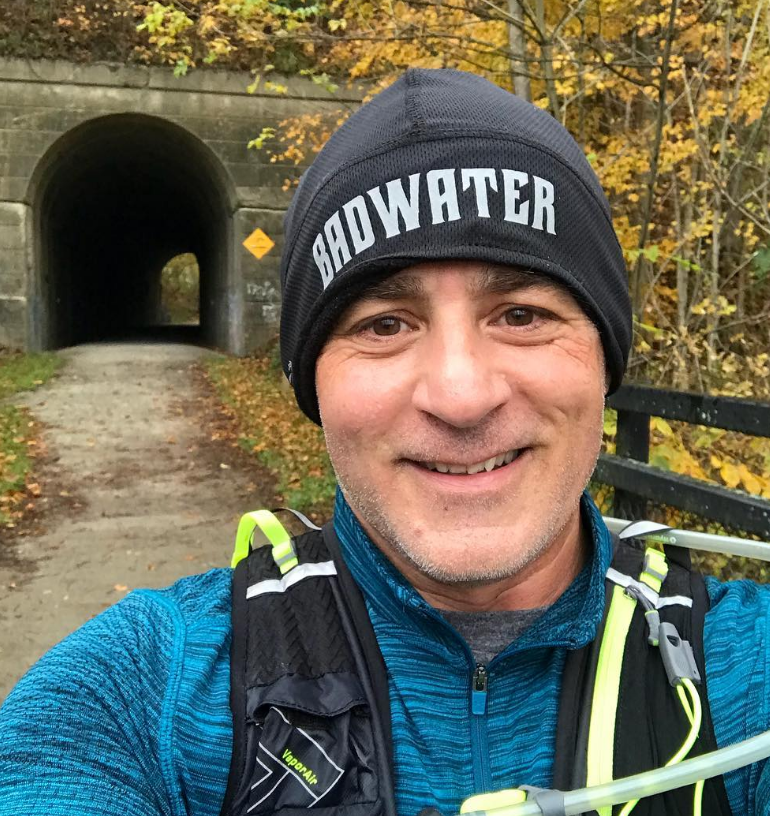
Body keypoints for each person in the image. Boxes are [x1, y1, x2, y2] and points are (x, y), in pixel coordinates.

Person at [0, 67, 767, 816]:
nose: (462, 396)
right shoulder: (142, 694)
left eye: (523, 314)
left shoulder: (746, 675)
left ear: (603, 356)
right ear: (314, 384)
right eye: (384, 325)